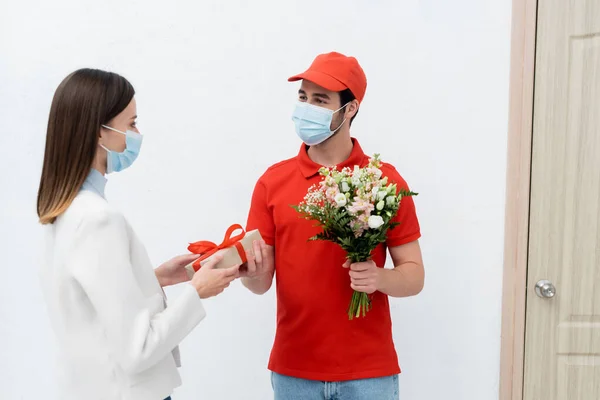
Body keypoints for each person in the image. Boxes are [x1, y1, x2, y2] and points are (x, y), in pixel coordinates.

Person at [36, 68, 239, 400]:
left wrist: (154, 277)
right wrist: (196, 292)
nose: (137, 133)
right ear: (98, 132)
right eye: (130, 124)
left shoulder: (59, 213)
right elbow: (138, 350)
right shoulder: (100, 220)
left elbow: (88, 303)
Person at [242, 52, 425, 400]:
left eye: (320, 100)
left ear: (350, 109)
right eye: (303, 97)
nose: (306, 108)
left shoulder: (384, 182)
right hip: (294, 370)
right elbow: (260, 283)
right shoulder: (272, 183)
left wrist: (380, 278)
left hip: (369, 372)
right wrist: (247, 271)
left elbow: (414, 276)